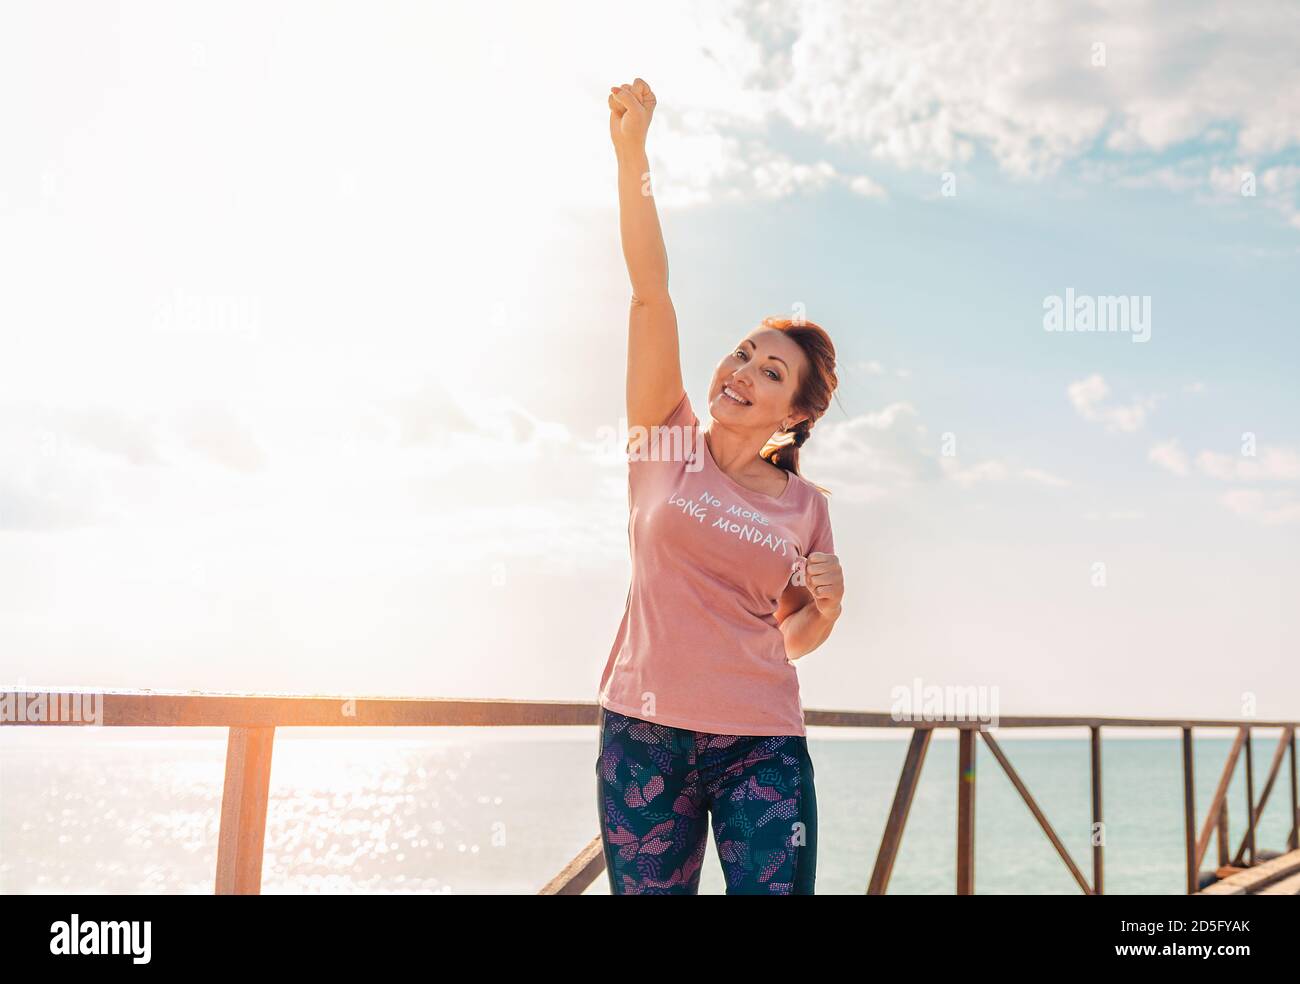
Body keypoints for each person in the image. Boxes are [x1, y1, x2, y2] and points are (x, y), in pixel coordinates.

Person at [596, 78, 845, 895]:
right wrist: (634, 157)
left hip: (760, 743)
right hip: (644, 733)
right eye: (742, 351)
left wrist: (828, 605)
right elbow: (648, 292)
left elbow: (792, 637)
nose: (742, 370)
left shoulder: (806, 508)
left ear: (792, 413)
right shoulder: (664, 438)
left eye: (769, 370)